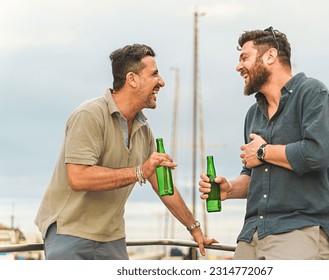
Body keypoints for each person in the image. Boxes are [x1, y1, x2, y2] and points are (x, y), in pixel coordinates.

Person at [35, 44, 216, 260]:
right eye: (154, 74)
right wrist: (140, 171)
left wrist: (194, 228)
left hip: (112, 238)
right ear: (132, 79)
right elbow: (78, 177)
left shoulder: (144, 130)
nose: (162, 82)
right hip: (69, 233)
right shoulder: (89, 115)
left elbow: (164, 187)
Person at [199, 27, 329, 260]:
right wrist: (229, 189)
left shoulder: (313, 93)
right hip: (252, 234)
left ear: (270, 56)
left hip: (300, 228)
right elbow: (252, 172)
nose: (238, 67)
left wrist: (264, 151)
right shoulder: (252, 114)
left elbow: (320, 153)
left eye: (244, 58)